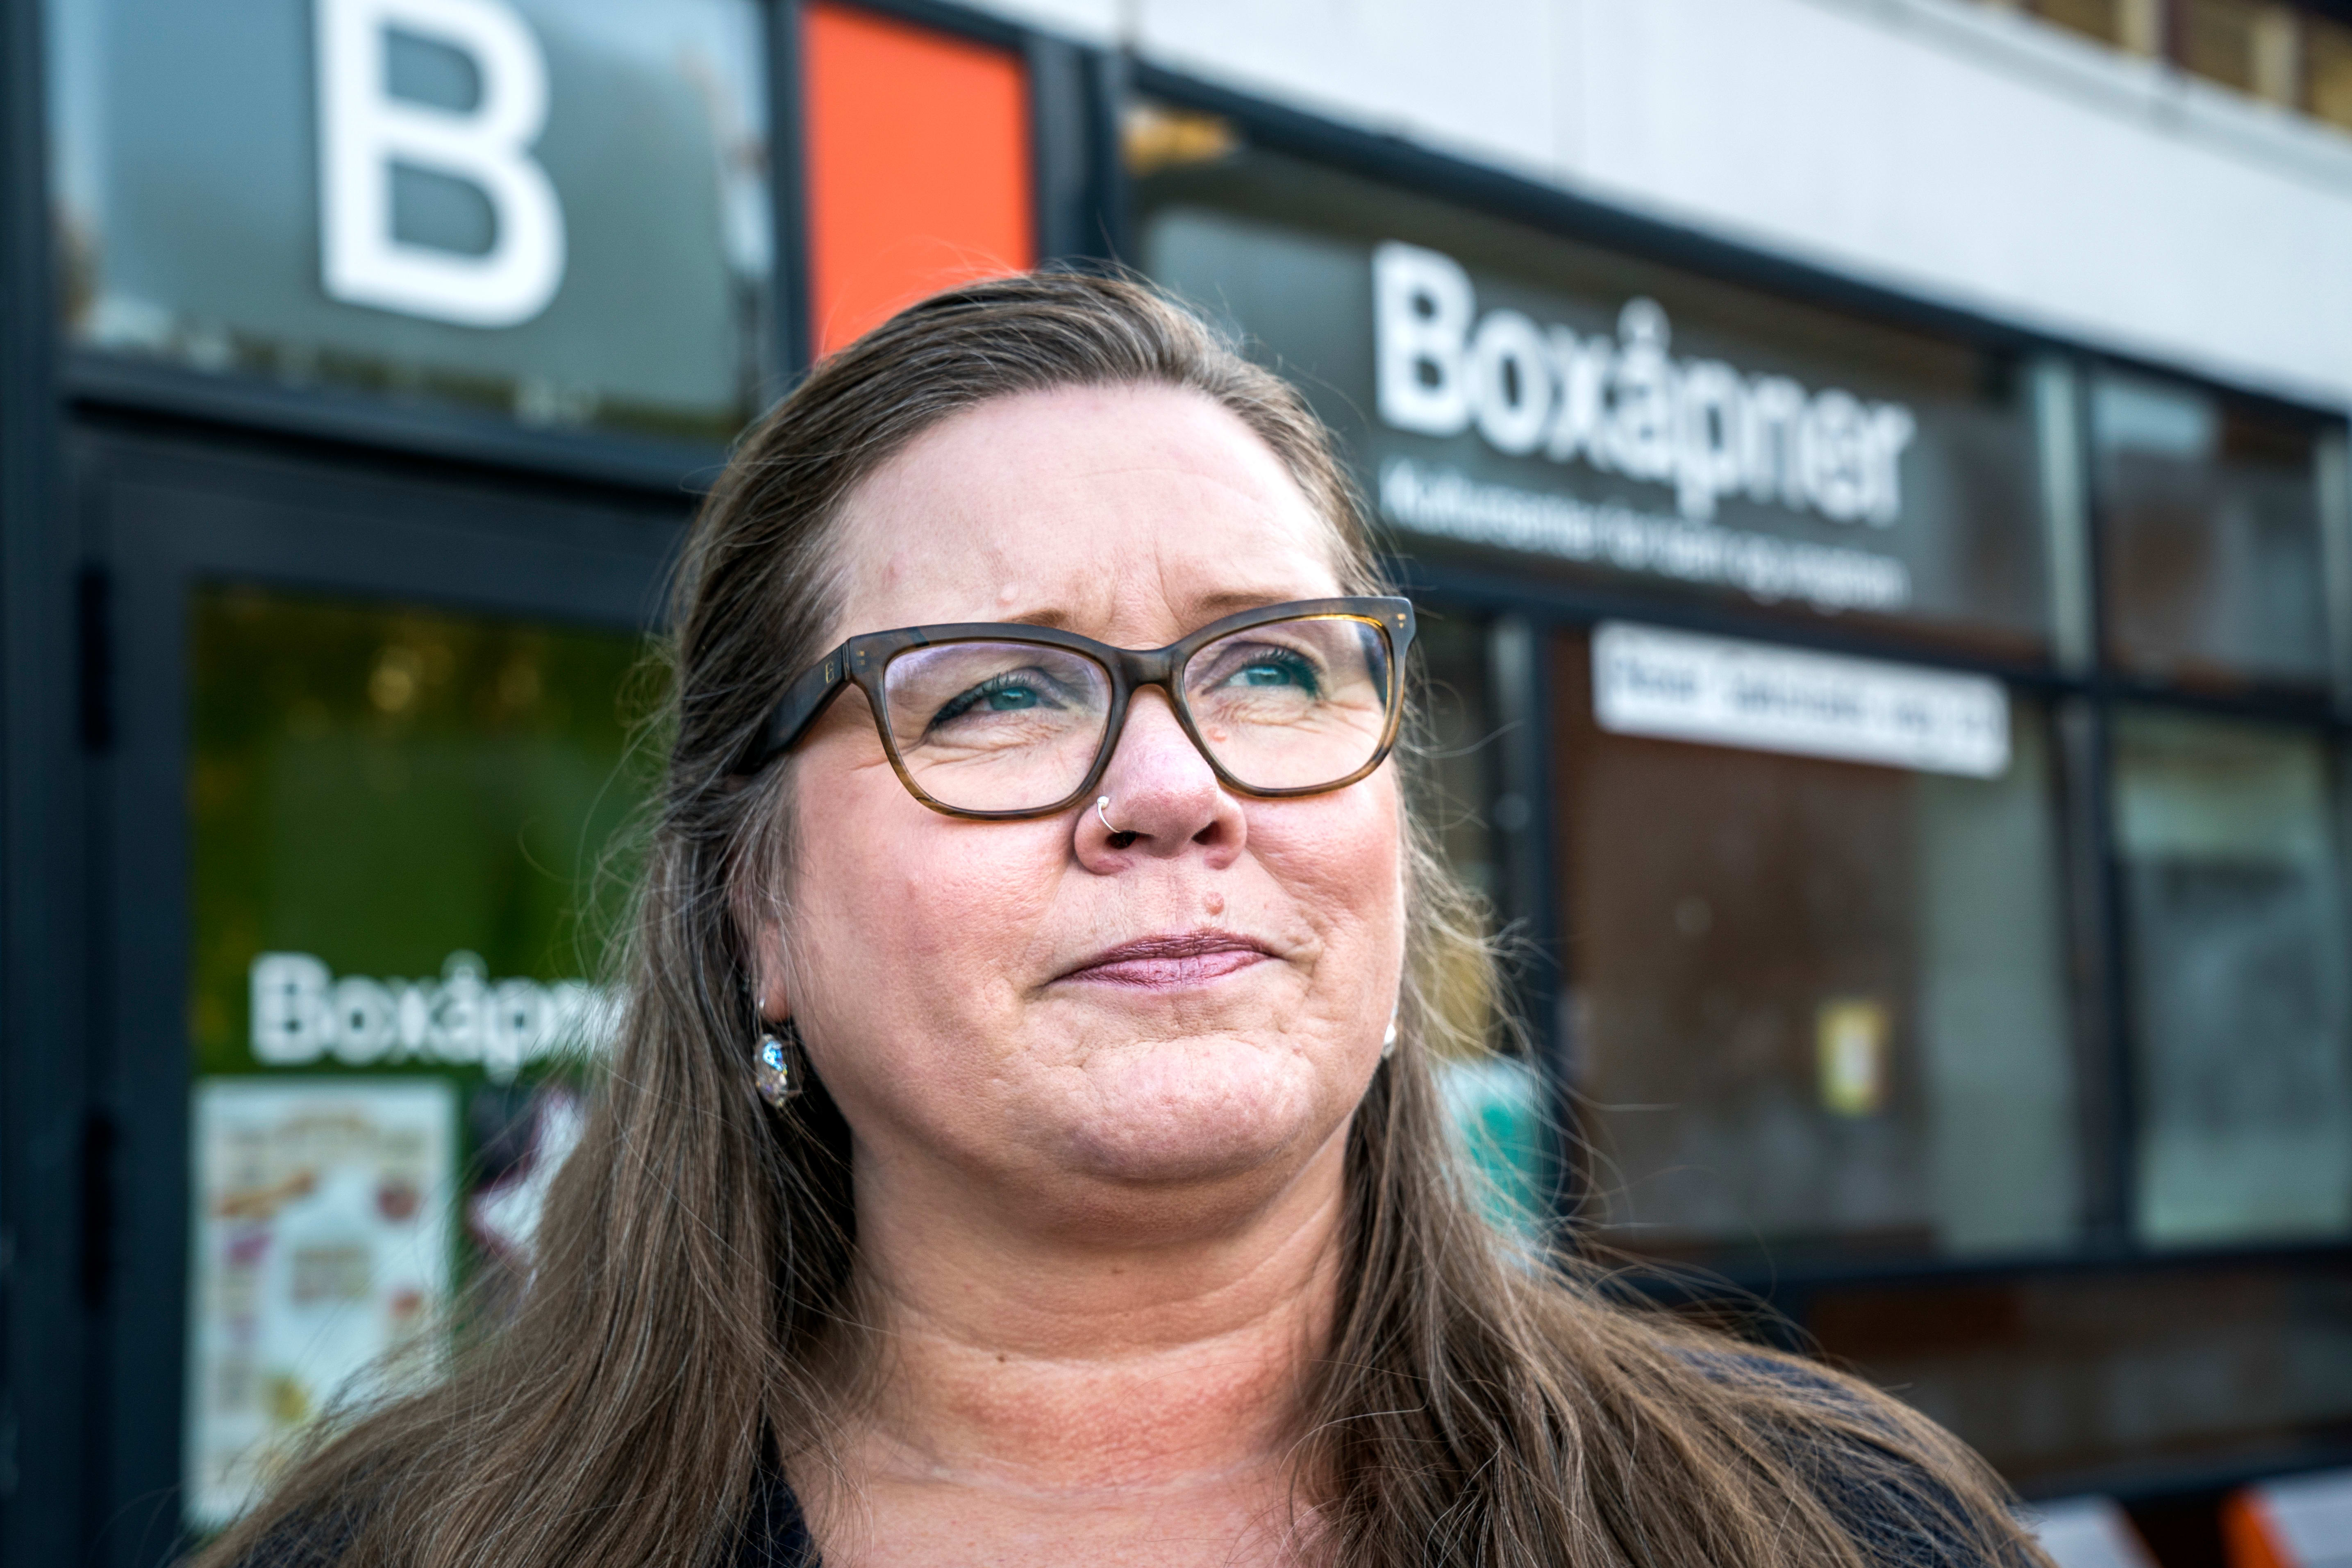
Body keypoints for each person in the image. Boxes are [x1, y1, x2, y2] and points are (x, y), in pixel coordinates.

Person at [204, 272, 2045, 1568]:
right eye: (999, 693)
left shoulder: (1834, 1533)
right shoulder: (392, 1551)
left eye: (1272, 669)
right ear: (755, 907)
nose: (1174, 787)